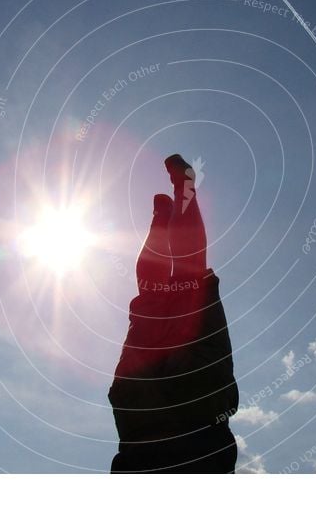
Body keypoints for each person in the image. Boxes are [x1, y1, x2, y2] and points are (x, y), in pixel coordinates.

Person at [108, 154, 239, 473]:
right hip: (184, 406)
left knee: (157, 290)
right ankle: (179, 194)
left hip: (148, 411)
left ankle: (167, 209)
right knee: (184, 276)